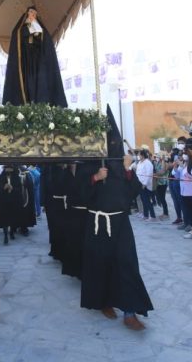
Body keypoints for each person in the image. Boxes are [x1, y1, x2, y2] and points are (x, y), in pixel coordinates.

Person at [79, 105, 153, 331]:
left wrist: (129, 170)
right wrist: (94, 178)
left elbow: (133, 193)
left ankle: (130, 311)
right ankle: (104, 302)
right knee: (100, 263)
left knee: (127, 264)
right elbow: (81, 194)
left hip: (120, 224)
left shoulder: (123, 166)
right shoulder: (90, 164)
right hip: (98, 223)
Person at [1, 6, 67, 108]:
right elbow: (18, 37)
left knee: (39, 84)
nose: (33, 15)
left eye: (34, 14)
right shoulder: (19, 29)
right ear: (27, 14)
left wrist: (37, 31)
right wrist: (29, 30)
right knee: (26, 85)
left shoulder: (40, 29)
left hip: (38, 62)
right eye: (31, 13)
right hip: (25, 62)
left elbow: (46, 43)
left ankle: (39, 105)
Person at [135, 150, 157, 222]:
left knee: (147, 201)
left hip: (145, 185)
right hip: (139, 183)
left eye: (139, 155)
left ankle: (153, 216)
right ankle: (146, 215)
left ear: (143, 155)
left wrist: (144, 183)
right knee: (143, 200)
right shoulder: (140, 163)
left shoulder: (148, 163)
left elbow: (149, 174)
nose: (138, 156)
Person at [153, 154, 170, 220]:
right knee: (160, 198)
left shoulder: (165, 163)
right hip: (158, 182)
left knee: (163, 198)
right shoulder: (157, 163)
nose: (157, 157)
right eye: (156, 156)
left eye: (158, 156)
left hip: (163, 183)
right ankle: (164, 212)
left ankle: (166, 214)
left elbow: (163, 171)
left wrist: (155, 174)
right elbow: (156, 170)